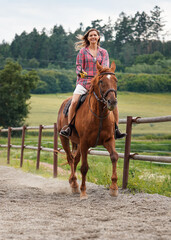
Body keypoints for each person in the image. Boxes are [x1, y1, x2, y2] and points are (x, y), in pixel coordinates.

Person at [60, 28, 125, 139]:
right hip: (84, 82)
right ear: (88, 38)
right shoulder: (82, 52)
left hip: (99, 83)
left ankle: (116, 129)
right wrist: (81, 72)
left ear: (98, 37)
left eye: (95, 35)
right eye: (91, 35)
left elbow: (104, 67)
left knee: (113, 102)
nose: (93, 37)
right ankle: (69, 126)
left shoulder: (104, 52)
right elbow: (78, 66)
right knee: (74, 101)